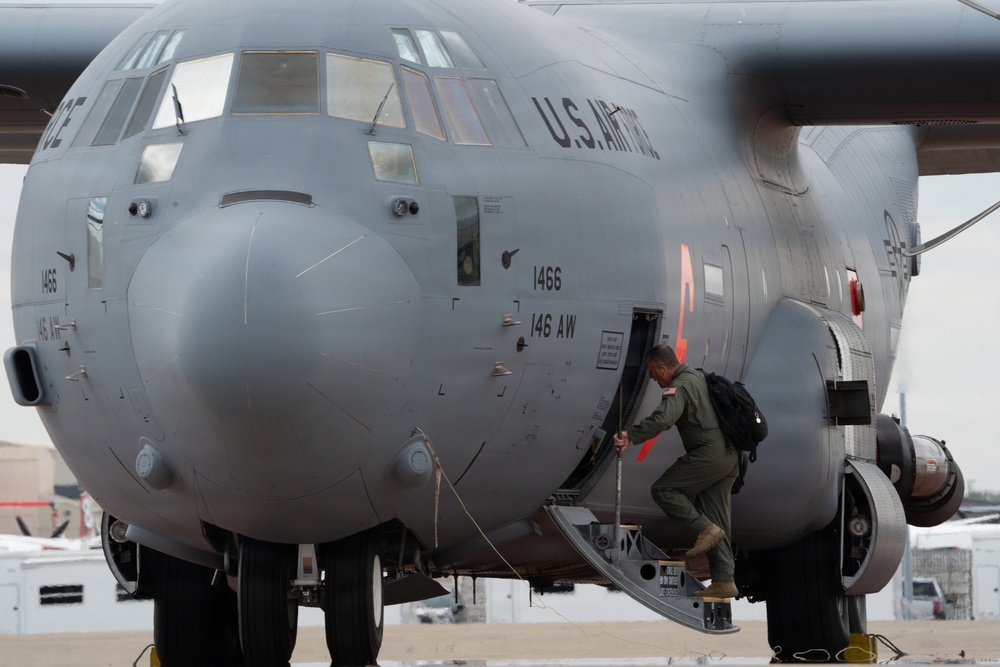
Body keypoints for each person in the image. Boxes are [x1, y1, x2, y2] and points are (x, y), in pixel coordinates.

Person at [613, 344, 740, 598]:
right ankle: (725, 581)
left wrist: (631, 435)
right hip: (729, 455)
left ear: (662, 368)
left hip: (709, 454)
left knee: (664, 490)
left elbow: (664, 418)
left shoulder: (679, 386)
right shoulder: (698, 376)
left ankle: (703, 528)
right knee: (718, 520)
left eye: (652, 372)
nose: (652, 378)